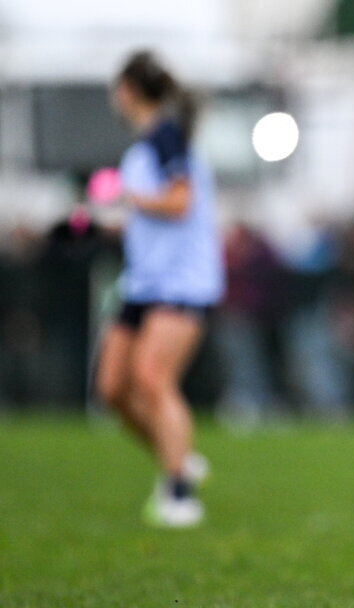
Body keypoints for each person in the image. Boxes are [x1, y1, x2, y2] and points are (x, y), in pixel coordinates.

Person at [95, 50, 223, 527]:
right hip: (144, 280)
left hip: (181, 280)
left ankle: (178, 492)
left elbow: (178, 201)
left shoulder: (166, 137)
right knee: (111, 389)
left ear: (128, 90)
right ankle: (180, 456)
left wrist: (127, 199)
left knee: (151, 379)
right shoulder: (147, 142)